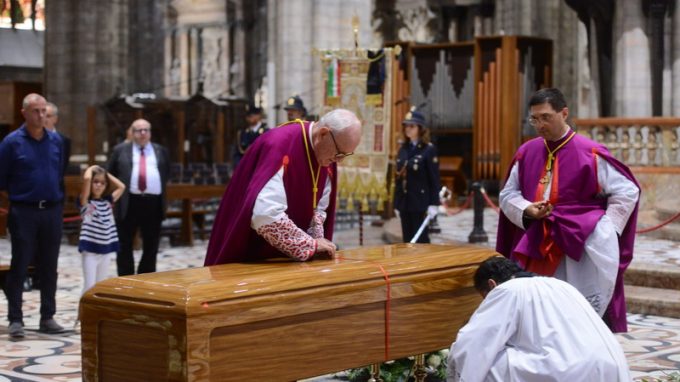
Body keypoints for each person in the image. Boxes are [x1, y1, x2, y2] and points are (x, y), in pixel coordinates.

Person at [496, 88, 640, 332]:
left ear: (564, 113)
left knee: (575, 313)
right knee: (536, 310)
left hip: (578, 243)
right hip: (535, 241)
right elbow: (508, 194)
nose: (539, 125)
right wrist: (528, 209)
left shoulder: (590, 152)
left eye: (545, 117)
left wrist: (604, 228)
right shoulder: (526, 152)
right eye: (534, 119)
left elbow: (627, 191)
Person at [205, 108, 362, 264]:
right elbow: (264, 216)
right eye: (339, 153)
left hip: (290, 261)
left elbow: (319, 209)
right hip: (253, 255)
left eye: (345, 155)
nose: (339, 161)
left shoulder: (327, 157)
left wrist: (316, 236)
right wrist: (309, 245)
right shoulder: (280, 146)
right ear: (323, 134)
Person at [447, 256, 631, 382]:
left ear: (491, 284)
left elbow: (473, 342)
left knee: (483, 363)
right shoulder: (561, 285)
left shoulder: (507, 290)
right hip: (611, 366)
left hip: (570, 372)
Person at [0, 93, 65, 338]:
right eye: (36, 111)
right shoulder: (11, 142)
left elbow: (57, 175)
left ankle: (47, 316)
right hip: (24, 212)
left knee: (49, 265)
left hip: (51, 210)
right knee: (21, 264)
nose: (41, 116)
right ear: (24, 112)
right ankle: (15, 319)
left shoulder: (55, 141)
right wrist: (20, 199)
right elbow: (2, 180)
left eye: (44, 111)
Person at [107, 119, 170, 276]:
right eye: (138, 130)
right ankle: (126, 278)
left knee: (151, 244)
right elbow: (110, 173)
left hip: (153, 203)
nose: (142, 133)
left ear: (150, 133)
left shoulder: (160, 150)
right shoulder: (120, 150)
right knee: (124, 243)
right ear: (132, 133)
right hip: (129, 202)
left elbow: (166, 173)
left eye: (146, 130)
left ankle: (146, 277)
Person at [393, 107, 441, 243]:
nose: (408, 129)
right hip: (405, 202)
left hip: (420, 203)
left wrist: (434, 203)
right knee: (407, 240)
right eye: (406, 126)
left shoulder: (428, 149)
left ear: (420, 128)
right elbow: (398, 177)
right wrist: (396, 203)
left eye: (412, 126)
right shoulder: (403, 149)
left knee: (421, 241)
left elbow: (434, 179)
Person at [78, 165, 125, 294]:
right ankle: (84, 313)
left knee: (100, 287)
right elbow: (87, 178)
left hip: (106, 250)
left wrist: (105, 173)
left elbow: (122, 186)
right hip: (90, 251)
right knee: (89, 286)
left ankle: (96, 313)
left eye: (102, 183)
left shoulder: (108, 201)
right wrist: (92, 168)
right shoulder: (86, 203)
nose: (99, 185)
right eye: (96, 182)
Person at [233, 103, 269, 168]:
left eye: (252, 115)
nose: (249, 118)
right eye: (248, 116)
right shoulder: (242, 133)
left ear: (259, 116)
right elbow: (237, 154)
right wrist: (239, 166)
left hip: (260, 167)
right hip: (245, 168)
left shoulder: (266, 132)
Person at [44, 102, 71, 178]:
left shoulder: (64, 141)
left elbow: (63, 168)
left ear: (55, 119)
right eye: (44, 116)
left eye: (48, 116)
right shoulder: (35, 138)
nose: (45, 119)